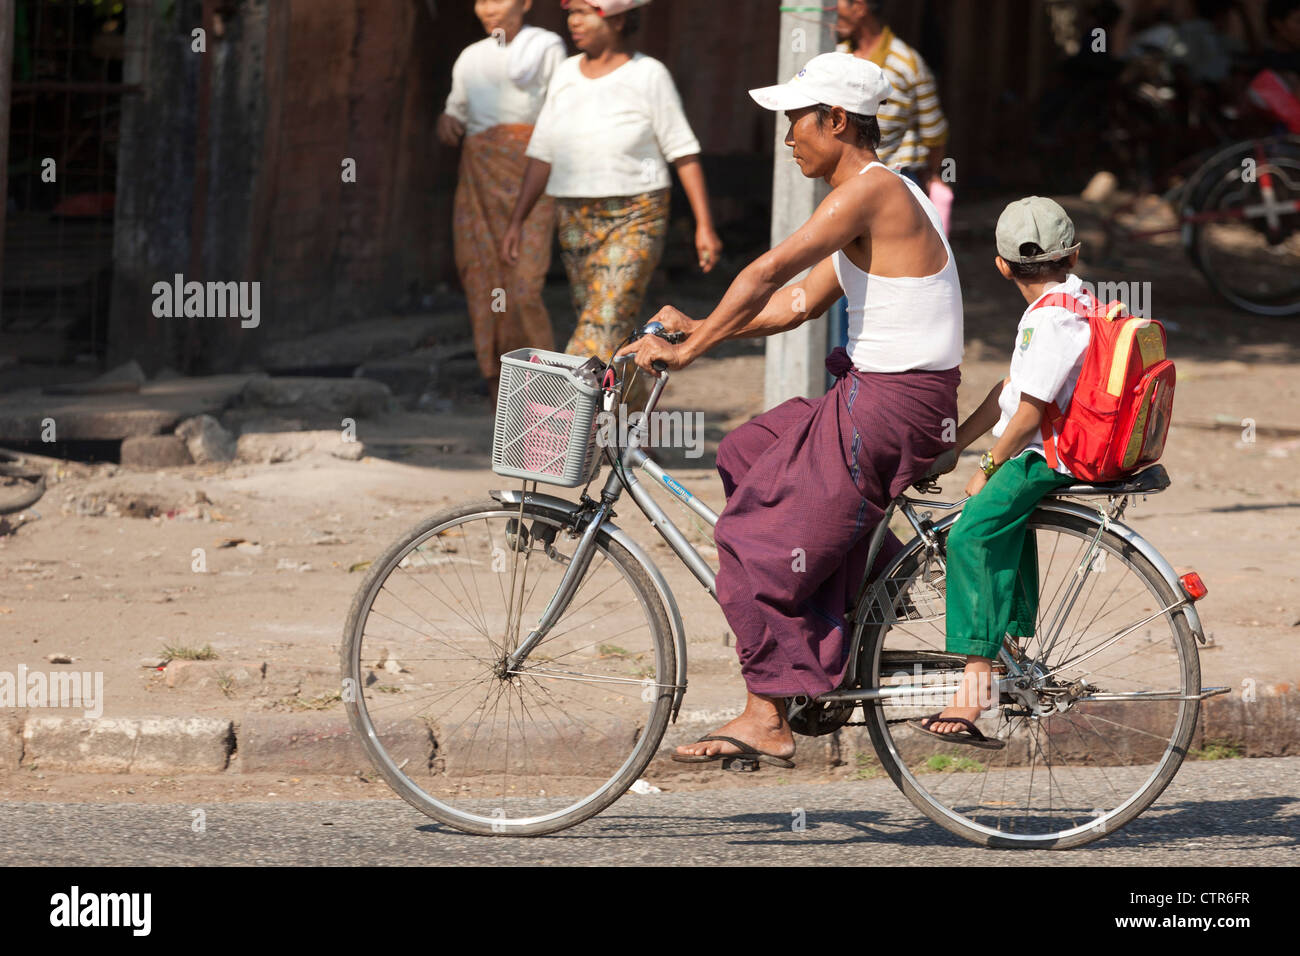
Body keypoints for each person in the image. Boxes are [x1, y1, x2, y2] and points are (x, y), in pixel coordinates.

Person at [618, 52, 963, 767]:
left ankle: (767, 712)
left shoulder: (870, 192)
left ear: (836, 121)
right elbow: (793, 303)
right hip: (883, 397)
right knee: (749, 450)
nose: (787, 139)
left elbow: (766, 270)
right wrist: (698, 326)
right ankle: (869, 589)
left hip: (891, 405)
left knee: (752, 537)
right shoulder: (876, 198)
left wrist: (691, 352)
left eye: (795, 122)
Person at [915, 197, 1093, 747]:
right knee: (1002, 527)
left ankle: (975, 685)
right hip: (1050, 446)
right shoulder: (1077, 300)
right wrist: (953, 448)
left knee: (972, 533)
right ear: (1075, 254)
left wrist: (985, 470)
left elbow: (1030, 414)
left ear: (1001, 265)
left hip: (1047, 454)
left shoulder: (1051, 319)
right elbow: (1008, 394)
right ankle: (1008, 649)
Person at [500, 0, 722, 397]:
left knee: (599, 325)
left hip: (636, 215)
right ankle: (631, 422)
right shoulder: (566, 74)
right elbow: (542, 151)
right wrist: (517, 220)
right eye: (571, 13)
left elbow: (682, 151)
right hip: (574, 218)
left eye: (585, 12)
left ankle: (557, 415)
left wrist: (704, 225)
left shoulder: (648, 74)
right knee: (613, 329)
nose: (574, 22)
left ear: (618, 19)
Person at [439, 0, 566, 392]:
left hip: (532, 176)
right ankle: (497, 381)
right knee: (481, 277)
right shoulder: (469, 58)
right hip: (479, 181)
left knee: (524, 284)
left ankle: (546, 382)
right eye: (482, 1)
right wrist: (446, 123)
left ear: (526, 3)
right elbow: (455, 112)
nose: (488, 9)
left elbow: (560, 112)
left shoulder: (545, 48)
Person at [835, 0, 949, 191]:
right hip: (843, 181)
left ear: (860, 7)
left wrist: (930, 174)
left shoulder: (908, 64)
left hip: (896, 182)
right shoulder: (837, 58)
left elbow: (934, 135)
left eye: (836, 7)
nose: (831, 14)